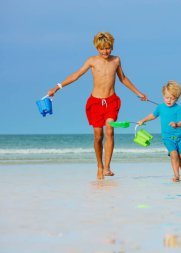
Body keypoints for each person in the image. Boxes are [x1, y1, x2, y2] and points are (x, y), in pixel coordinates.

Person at [47, 32, 147, 180]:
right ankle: (99, 166)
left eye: (108, 48)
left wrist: (138, 93)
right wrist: (57, 87)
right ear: (97, 48)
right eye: (101, 49)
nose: (105, 51)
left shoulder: (116, 60)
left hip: (111, 101)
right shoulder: (92, 61)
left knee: (109, 131)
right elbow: (76, 75)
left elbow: (123, 78)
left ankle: (107, 167)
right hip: (95, 103)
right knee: (98, 136)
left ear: (112, 47)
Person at [137, 81, 181, 182]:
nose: (169, 100)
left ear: (177, 98)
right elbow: (153, 115)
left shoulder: (178, 109)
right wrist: (143, 120)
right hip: (167, 137)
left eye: (172, 99)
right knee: (174, 154)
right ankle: (177, 176)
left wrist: (176, 124)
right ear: (163, 95)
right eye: (167, 98)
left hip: (180, 136)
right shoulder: (160, 107)